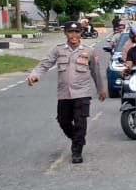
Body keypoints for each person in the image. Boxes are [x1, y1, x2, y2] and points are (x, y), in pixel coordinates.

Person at [27, 21, 107, 163]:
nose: (74, 35)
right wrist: (34, 75)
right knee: (63, 121)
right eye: (70, 32)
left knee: (80, 122)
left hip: (82, 93)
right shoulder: (58, 50)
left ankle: (77, 151)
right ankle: (78, 139)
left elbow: (95, 72)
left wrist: (101, 90)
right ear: (65, 33)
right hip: (64, 93)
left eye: (76, 32)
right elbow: (45, 63)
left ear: (81, 33)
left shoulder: (89, 51)